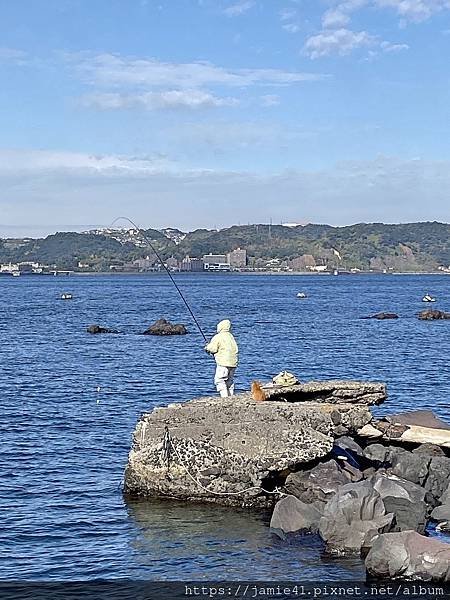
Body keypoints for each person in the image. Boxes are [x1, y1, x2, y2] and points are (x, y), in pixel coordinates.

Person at [205, 319, 239, 397]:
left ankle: (224, 397)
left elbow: (212, 349)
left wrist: (207, 347)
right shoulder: (231, 337)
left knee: (220, 380)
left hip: (223, 363)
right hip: (233, 363)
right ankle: (230, 396)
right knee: (229, 381)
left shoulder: (218, 337)